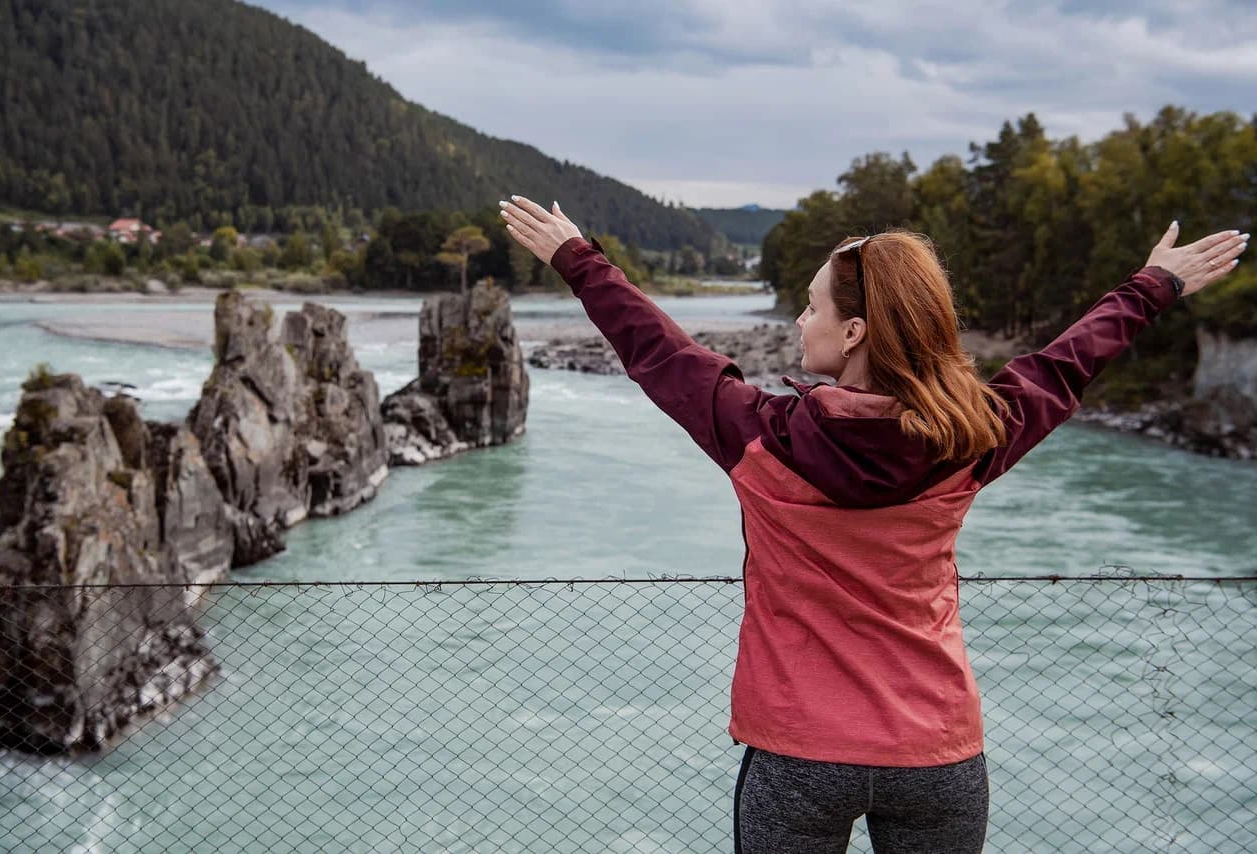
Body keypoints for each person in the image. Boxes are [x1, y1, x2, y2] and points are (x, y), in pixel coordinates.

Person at [499, 194, 1247, 853]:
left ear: (853, 332)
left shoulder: (756, 436)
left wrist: (579, 259)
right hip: (936, 753)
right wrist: (1157, 283)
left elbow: (658, 351)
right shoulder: (974, 437)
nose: (799, 320)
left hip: (798, 756)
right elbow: (1063, 366)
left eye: (814, 306)